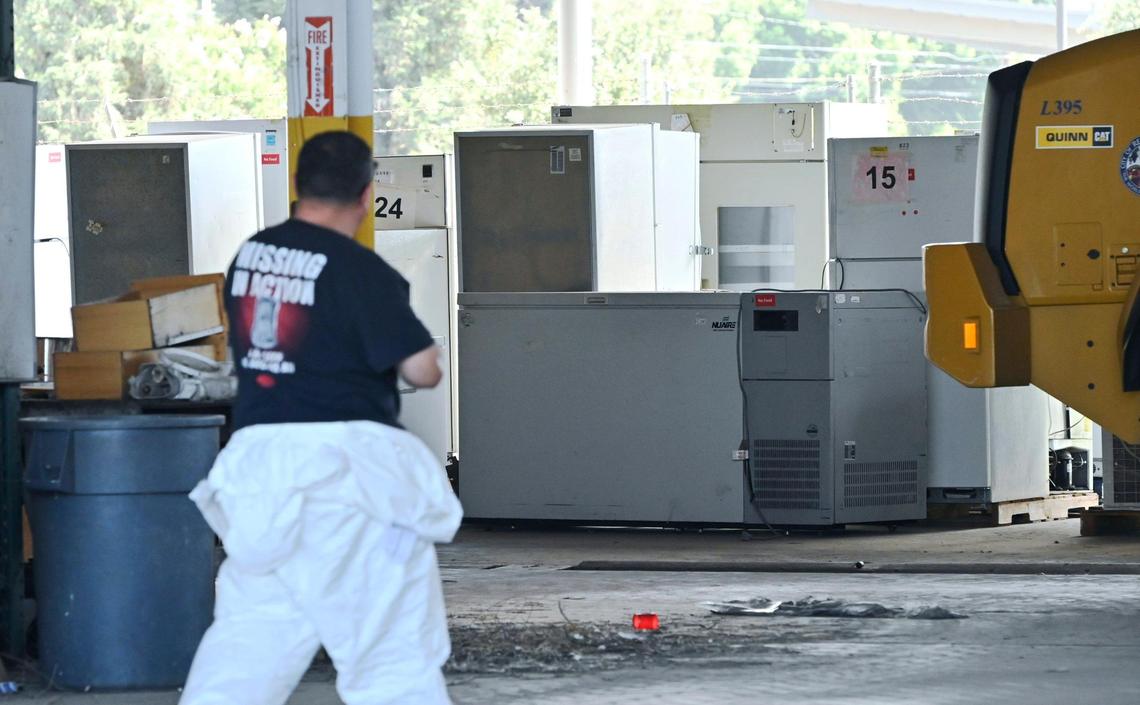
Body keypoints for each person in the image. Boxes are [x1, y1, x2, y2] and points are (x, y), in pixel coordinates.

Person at [179, 131, 463, 705]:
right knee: (388, 650)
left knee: (248, 645)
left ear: (297, 185)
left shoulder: (250, 256)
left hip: (259, 471)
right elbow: (422, 369)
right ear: (364, 196)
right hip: (346, 476)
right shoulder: (359, 270)